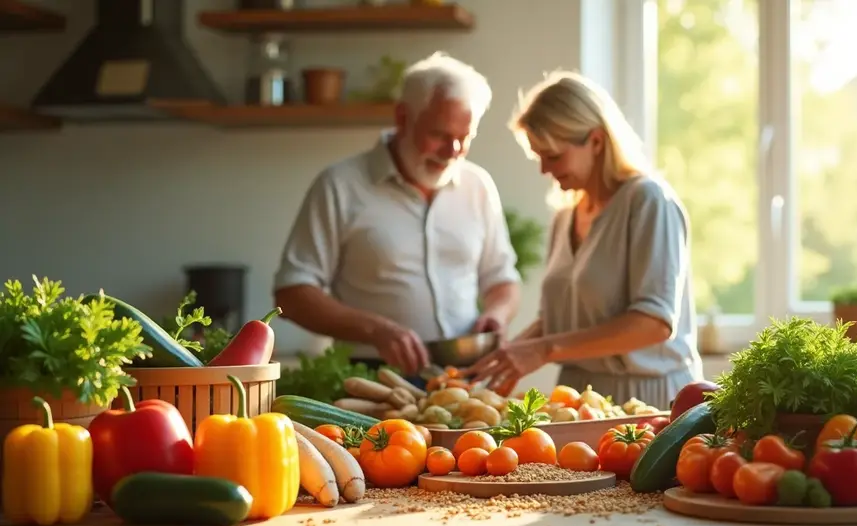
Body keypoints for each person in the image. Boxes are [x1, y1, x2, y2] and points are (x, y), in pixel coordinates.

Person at [272, 52, 522, 388]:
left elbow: (502, 279)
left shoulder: (478, 186)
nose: (453, 150)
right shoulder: (340, 185)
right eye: (440, 134)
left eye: (466, 137)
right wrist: (376, 330)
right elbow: (292, 294)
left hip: (465, 379)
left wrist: (497, 315)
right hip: (371, 382)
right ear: (403, 118)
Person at [464, 70, 702, 410]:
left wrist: (542, 350)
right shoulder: (565, 216)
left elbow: (654, 323)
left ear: (596, 141)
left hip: (649, 400)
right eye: (538, 157)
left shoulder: (648, 201)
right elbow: (557, 321)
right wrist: (505, 361)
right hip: (578, 399)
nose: (544, 170)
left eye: (554, 156)